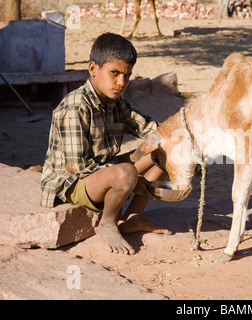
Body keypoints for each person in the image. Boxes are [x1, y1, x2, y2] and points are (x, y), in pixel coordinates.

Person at [41, 32, 170, 255]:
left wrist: (182, 150)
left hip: (104, 170)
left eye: (127, 76)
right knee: (126, 173)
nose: (122, 82)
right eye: (115, 73)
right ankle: (108, 223)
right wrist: (133, 180)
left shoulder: (116, 103)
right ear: (93, 69)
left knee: (164, 148)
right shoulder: (75, 107)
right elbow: (78, 167)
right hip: (73, 182)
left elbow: (152, 130)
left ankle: (134, 216)